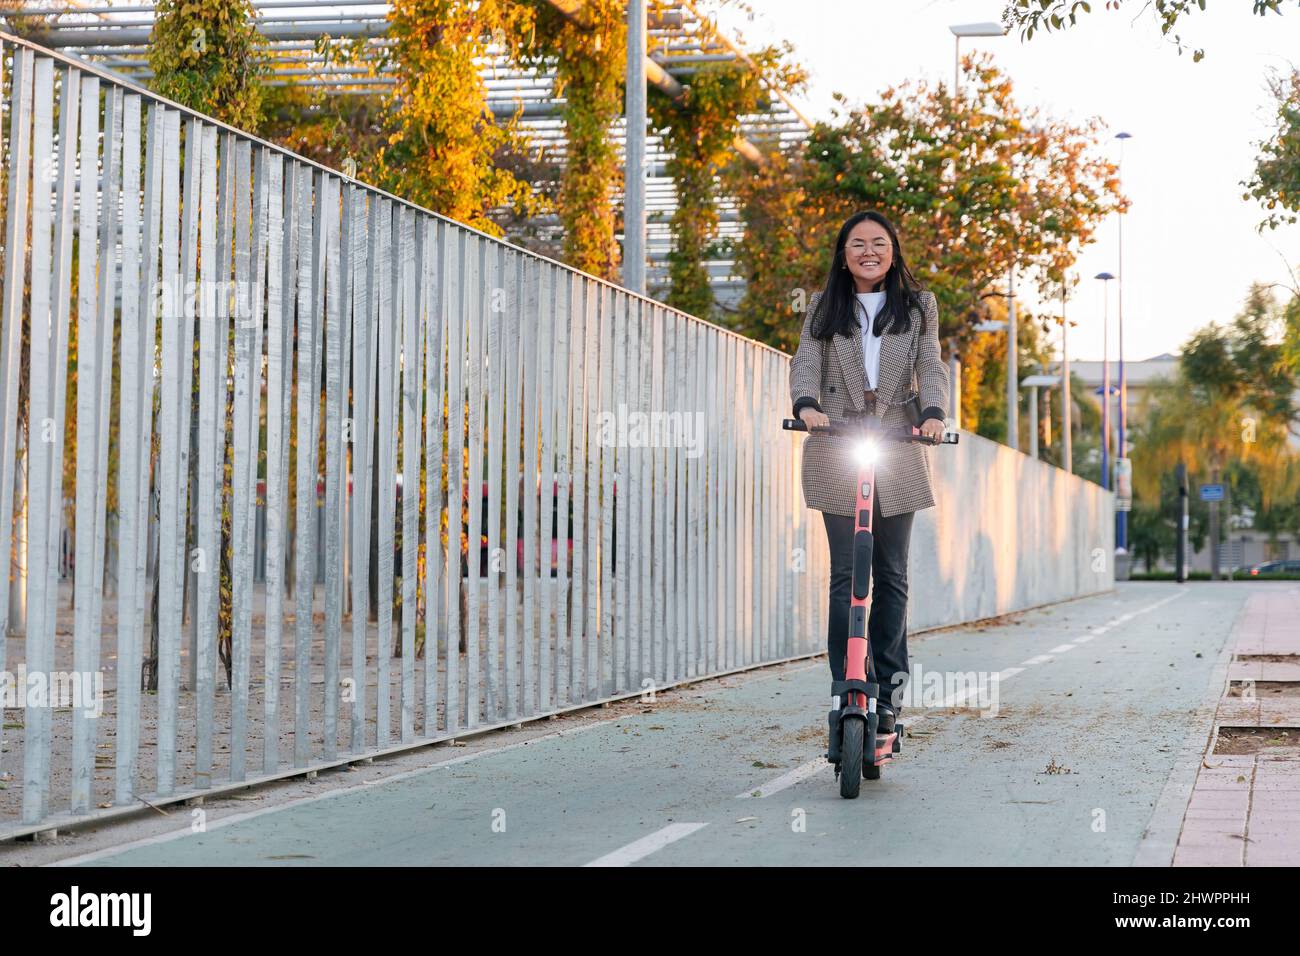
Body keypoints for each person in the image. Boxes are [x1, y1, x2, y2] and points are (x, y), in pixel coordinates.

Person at [788, 210, 949, 760]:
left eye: (879, 243)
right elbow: (806, 362)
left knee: (892, 574)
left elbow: (932, 363)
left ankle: (888, 690)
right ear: (843, 253)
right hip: (838, 442)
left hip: (899, 445)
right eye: (858, 243)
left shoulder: (918, 305)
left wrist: (932, 411)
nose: (869, 251)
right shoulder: (824, 305)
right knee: (845, 573)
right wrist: (806, 404)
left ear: (893, 251)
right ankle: (848, 682)